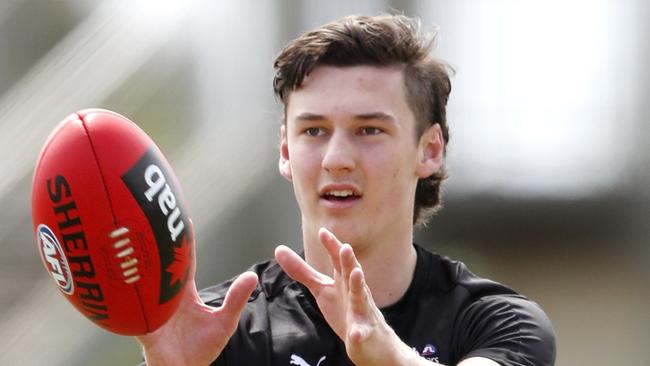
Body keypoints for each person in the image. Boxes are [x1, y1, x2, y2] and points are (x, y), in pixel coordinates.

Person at [137, 14, 556, 366]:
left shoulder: (495, 322)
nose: (336, 158)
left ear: (429, 150)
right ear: (285, 150)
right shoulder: (219, 329)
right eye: (314, 130)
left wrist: (390, 356)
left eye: (369, 130)